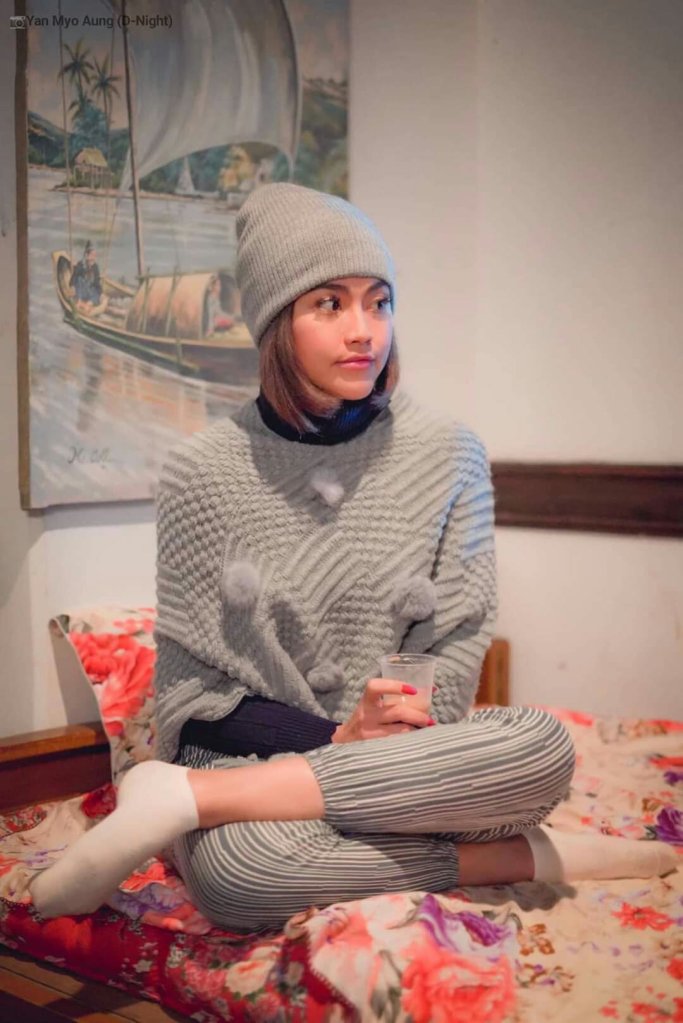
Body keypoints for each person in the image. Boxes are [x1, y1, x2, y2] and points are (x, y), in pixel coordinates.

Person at [31, 184, 677, 930]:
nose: (364, 330)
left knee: (540, 749)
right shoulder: (200, 473)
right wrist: (336, 740)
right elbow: (194, 697)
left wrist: (394, 736)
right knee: (240, 877)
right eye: (329, 304)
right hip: (252, 763)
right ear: (277, 322)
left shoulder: (449, 454)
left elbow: (458, 639)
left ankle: (182, 800)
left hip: (401, 761)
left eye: (379, 302)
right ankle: (515, 856)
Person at [70, 240, 104, 314]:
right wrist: (72, 286)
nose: (93, 258)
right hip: (81, 290)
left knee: (96, 294)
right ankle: (80, 302)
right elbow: (74, 277)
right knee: (79, 279)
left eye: (95, 256)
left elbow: (97, 283)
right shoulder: (81, 265)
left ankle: (87, 304)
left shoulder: (95, 267)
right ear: (86, 255)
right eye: (92, 255)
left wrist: (101, 293)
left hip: (89, 291)